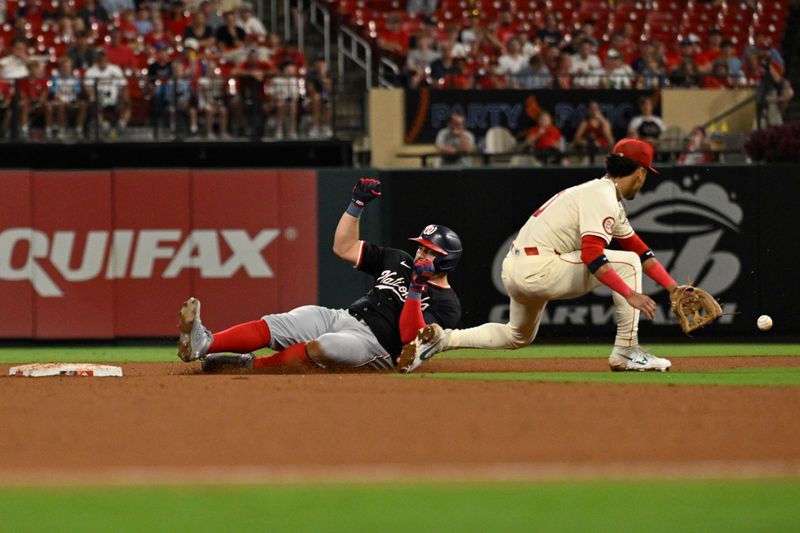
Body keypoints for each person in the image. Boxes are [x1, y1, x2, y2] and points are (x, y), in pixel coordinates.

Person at [399, 139, 677, 374]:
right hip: (541, 267)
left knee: (517, 335)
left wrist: (673, 288)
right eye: (645, 175)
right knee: (626, 264)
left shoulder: (600, 194)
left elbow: (642, 250)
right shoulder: (602, 197)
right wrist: (629, 293)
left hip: (516, 268)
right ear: (640, 173)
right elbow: (594, 255)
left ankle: (441, 339)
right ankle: (627, 350)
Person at [177, 178, 462, 373]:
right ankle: (204, 343)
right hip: (344, 317)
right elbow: (344, 247)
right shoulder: (399, 259)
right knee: (281, 322)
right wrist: (356, 205)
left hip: (376, 347)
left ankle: (248, 366)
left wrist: (415, 289)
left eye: (430, 252)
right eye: (421, 248)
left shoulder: (447, 305)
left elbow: (410, 339)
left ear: (447, 261)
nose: (422, 255)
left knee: (325, 347)